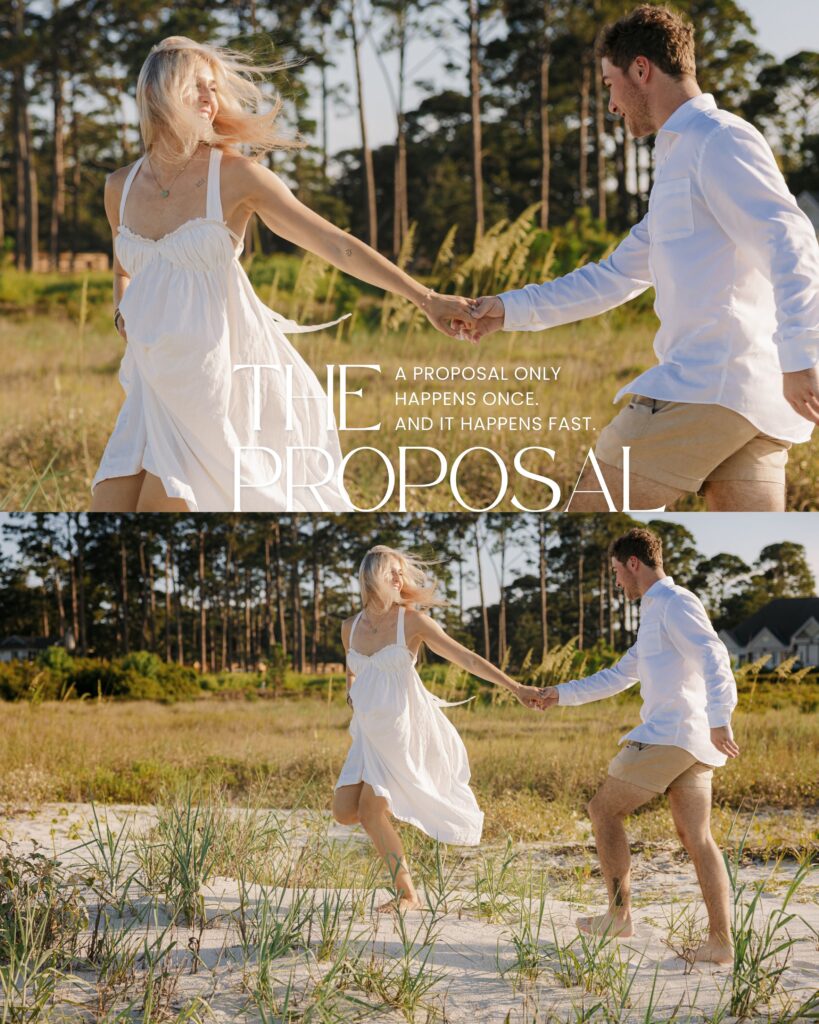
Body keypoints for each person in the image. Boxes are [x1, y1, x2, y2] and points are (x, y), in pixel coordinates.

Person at [92, 37, 475, 513]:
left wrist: (427, 298)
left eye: (214, 87)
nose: (211, 99)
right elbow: (125, 268)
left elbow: (336, 244)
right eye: (197, 86)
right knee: (106, 505)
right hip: (153, 381)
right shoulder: (119, 188)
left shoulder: (236, 176)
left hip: (213, 382)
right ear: (158, 94)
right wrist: (121, 313)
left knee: (161, 506)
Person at [463, 4, 819, 513]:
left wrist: (801, 356)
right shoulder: (678, 156)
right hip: (751, 406)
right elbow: (615, 276)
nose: (610, 103)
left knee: (586, 516)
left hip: (708, 387)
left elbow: (791, 237)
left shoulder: (718, 139)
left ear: (641, 70)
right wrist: (508, 308)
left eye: (610, 83)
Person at [537, 527, 738, 963]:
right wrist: (560, 693)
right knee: (697, 836)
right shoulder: (654, 613)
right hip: (691, 740)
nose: (616, 583)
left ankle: (618, 916)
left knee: (603, 810)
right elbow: (618, 675)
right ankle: (720, 943)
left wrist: (721, 717)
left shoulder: (674, 601)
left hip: (671, 735)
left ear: (634, 564)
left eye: (616, 572)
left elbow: (713, 653)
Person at [332, 545, 544, 913]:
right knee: (344, 811)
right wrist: (352, 696)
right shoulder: (349, 628)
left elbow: (467, 658)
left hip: (402, 731)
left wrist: (516, 688)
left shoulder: (411, 622)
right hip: (368, 734)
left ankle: (407, 895)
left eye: (401, 572)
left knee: (368, 810)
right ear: (372, 577)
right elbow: (351, 671)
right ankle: (399, 813)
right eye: (392, 572)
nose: (400, 579)